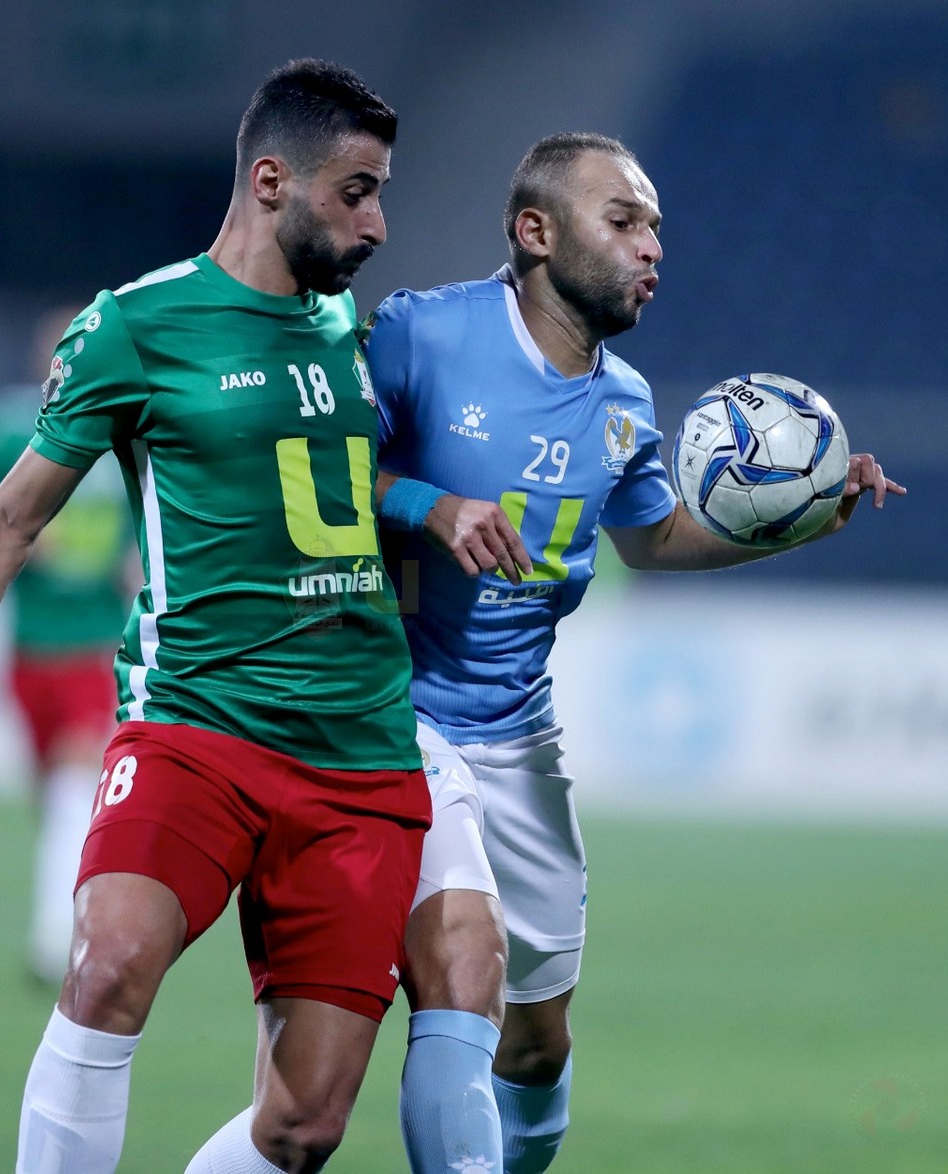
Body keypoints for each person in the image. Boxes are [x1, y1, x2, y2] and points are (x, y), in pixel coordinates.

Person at [0, 59, 433, 1174]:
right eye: (356, 192)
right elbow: (10, 516)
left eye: (379, 193)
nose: (377, 222)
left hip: (359, 754)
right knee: (106, 965)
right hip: (196, 726)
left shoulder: (358, 332)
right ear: (270, 181)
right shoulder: (137, 326)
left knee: (304, 1125)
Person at [364, 132, 906, 1172]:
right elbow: (312, 467)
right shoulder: (420, 333)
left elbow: (652, 539)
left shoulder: (622, 403)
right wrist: (430, 504)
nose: (652, 246)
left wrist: (793, 520)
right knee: (462, 972)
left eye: (655, 226)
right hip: (398, 714)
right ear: (535, 232)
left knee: (537, 1044)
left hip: (519, 735)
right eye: (623, 221)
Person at [0, 308, 133, 984]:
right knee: (55, 801)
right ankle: (68, 913)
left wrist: (136, 566)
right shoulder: (8, 428)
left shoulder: (128, 431)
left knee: (78, 780)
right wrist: (19, 541)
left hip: (97, 644)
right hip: (28, 648)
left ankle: (58, 941)